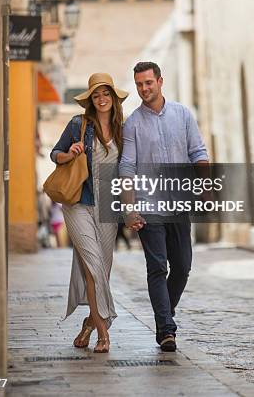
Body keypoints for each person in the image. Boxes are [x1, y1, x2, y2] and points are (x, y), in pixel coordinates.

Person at [120, 62, 208, 352]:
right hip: (149, 206)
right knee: (157, 267)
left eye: (148, 83)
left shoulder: (183, 114)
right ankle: (166, 329)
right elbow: (127, 167)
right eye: (139, 84)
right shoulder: (132, 123)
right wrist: (129, 209)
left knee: (182, 267)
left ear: (160, 81)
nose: (144, 89)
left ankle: (163, 315)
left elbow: (198, 152)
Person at [50, 73, 128, 354]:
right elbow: (54, 154)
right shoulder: (78, 124)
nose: (102, 99)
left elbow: (128, 168)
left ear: (114, 98)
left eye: (106, 94)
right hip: (78, 201)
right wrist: (69, 153)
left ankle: (89, 322)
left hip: (109, 201)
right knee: (94, 267)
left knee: (102, 270)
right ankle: (104, 333)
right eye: (97, 95)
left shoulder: (123, 128)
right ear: (91, 100)